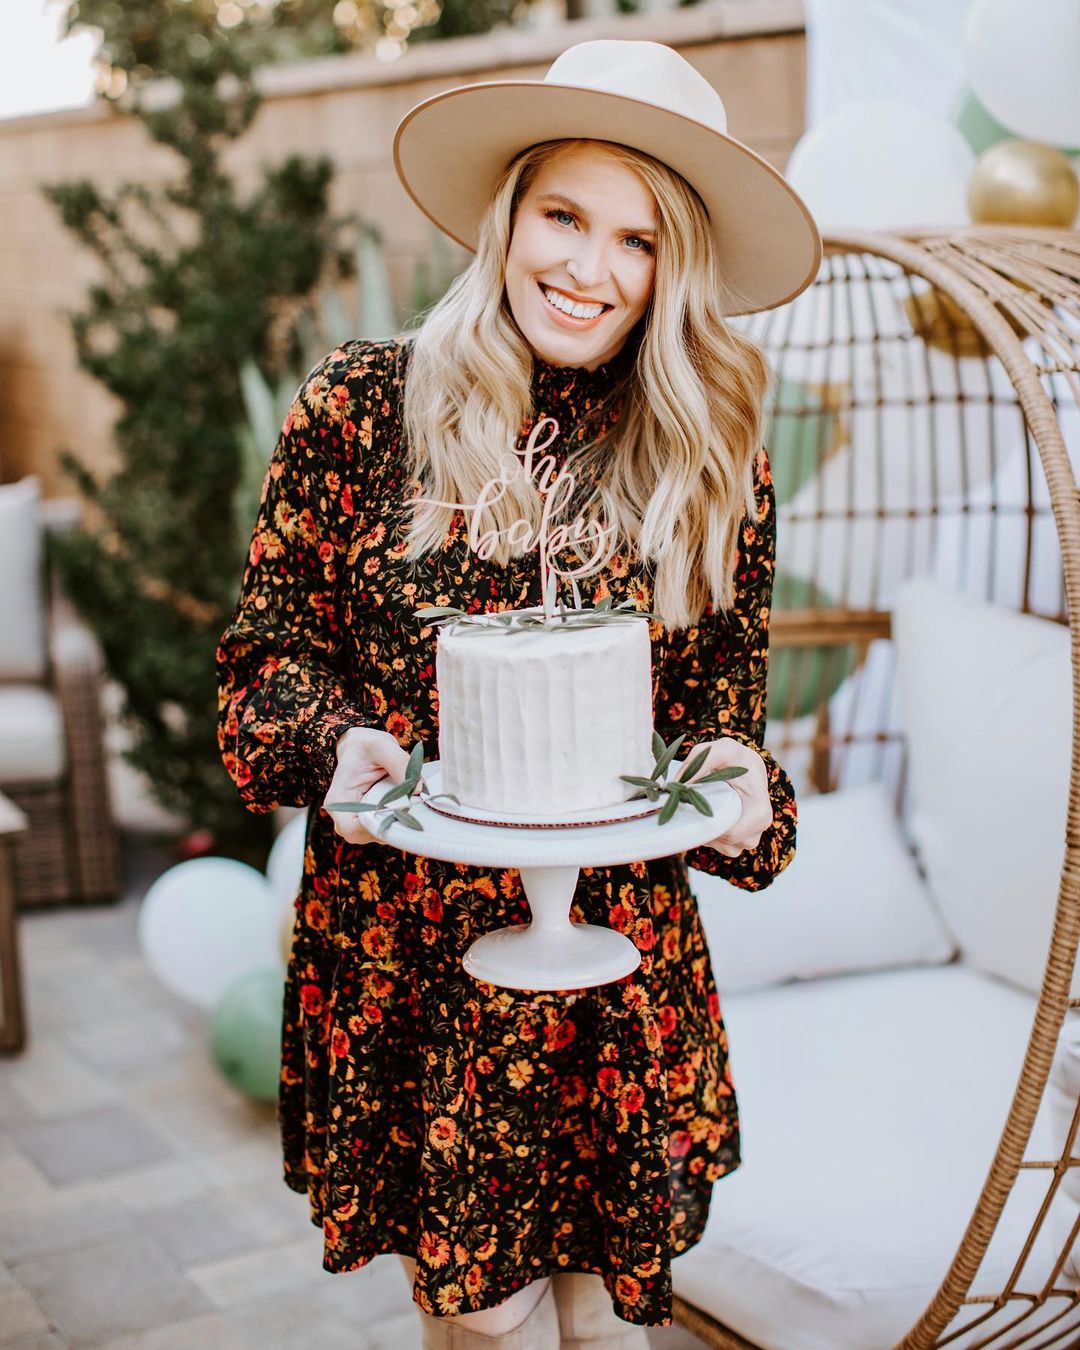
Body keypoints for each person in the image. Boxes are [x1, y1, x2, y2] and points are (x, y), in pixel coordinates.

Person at [215, 36, 820, 1350]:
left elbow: (723, 706)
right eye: (564, 214)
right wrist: (342, 743)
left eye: (637, 239)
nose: (589, 268)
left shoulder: (710, 457)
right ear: (509, 213)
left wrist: (729, 784)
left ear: (677, 269)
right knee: (480, 1320)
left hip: (618, 957)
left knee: (611, 1315)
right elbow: (266, 661)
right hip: (418, 953)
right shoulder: (365, 406)